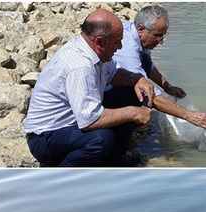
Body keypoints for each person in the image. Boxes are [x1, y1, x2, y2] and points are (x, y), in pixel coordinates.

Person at [24, 9, 156, 167]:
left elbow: (114, 73)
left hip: (72, 121)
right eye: (117, 42)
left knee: (132, 91)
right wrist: (134, 113)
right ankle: (61, 177)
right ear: (99, 41)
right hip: (46, 138)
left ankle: (113, 158)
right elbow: (90, 121)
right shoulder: (80, 65)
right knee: (101, 139)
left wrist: (137, 79)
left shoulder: (94, 49)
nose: (120, 46)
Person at [111, 5, 206, 130]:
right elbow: (147, 92)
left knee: (143, 64)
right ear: (141, 29)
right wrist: (189, 115)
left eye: (163, 36)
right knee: (134, 92)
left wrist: (167, 87)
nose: (161, 42)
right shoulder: (127, 46)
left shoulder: (137, 34)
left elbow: (148, 66)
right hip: (103, 91)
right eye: (158, 36)